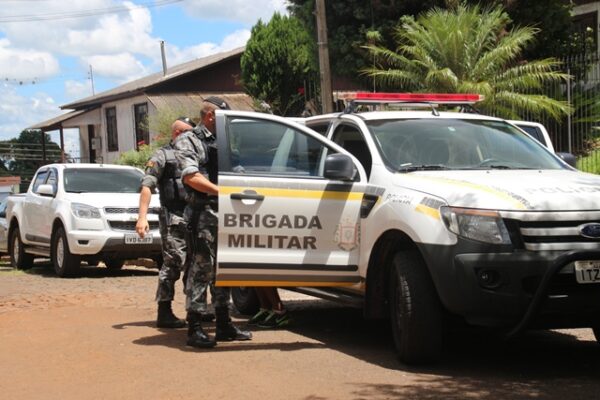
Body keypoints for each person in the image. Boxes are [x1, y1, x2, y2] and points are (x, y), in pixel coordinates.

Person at [173, 96, 252, 348]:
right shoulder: (189, 140)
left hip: (227, 214)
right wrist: (222, 191)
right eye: (221, 118)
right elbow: (191, 177)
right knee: (201, 270)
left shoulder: (223, 142)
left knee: (225, 271)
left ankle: (223, 324)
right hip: (202, 214)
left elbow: (238, 171)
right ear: (209, 117)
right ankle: (194, 326)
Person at [136, 117, 214, 329]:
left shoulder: (198, 154)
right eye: (189, 132)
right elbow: (147, 186)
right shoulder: (162, 156)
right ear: (178, 134)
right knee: (173, 263)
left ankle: (197, 309)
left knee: (198, 263)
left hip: (197, 215)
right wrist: (142, 217)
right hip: (174, 217)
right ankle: (164, 310)